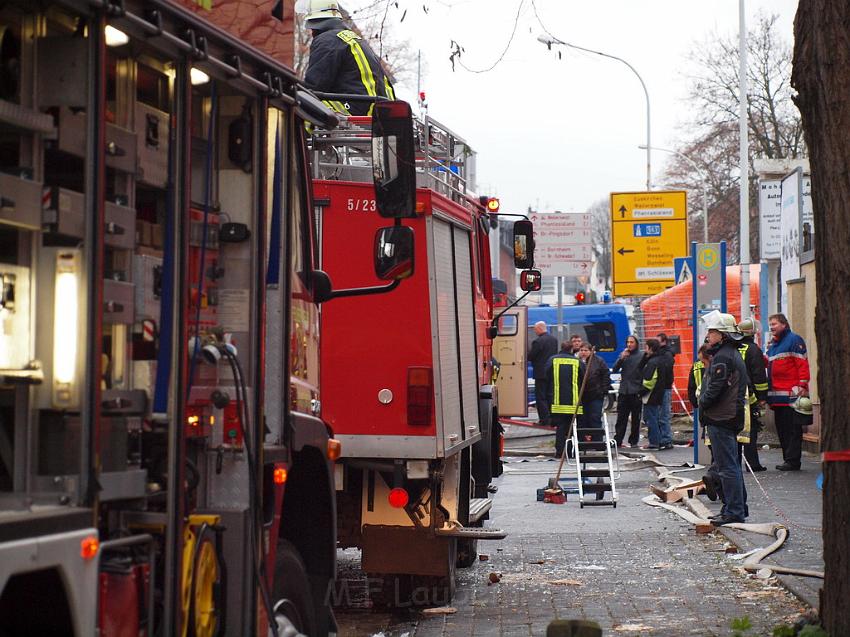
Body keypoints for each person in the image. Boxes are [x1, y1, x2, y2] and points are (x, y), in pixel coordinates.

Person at [297, 0, 396, 116]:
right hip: (382, 112)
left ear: (313, 24)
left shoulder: (327, 40)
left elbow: (314, 87)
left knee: (299, 105)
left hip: (357, 109)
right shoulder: (353, 39)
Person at [698, 311, 749, 526]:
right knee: (731, 466)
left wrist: (703, 404)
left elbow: (714, 389)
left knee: (727, 467)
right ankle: (735, 507)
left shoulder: (722, 357)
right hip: (727, 416)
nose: (708, 335)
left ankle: (734, 511)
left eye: (712, 331)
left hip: (721, 417)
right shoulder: (730, 353)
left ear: (723, 334)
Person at [766, 313, 810, 471]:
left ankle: (792, 460)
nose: (771, 327)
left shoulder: (794, 340)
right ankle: (788, 459)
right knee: (783, 429)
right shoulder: (773, 345)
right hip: (778, 396)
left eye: (774, 324)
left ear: (784, 324)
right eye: (770, 324)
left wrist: (802, 386)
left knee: (792, 430)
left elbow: (802, 365)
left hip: (791, 395)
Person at [736, 318, 769, 472]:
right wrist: (762, 397)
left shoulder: (734, 348)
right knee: (751, 431)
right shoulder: (753, 349)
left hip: (733, 396)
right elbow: (759, 375)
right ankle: (753, 464)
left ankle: (735, 463)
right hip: (750, 397)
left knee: (736, 431)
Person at [547, 341, 585, 459]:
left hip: (557, 402)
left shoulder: (552, 360)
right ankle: (571, 452)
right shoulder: (577, 362)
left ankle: (559, 452)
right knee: (572, 429)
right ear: (571, 350)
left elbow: (546, 376)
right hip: (574, 402)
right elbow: (584, 378)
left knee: (560, 428)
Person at [612, 335, 643, 448]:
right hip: (624, 391)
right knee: (621, 418)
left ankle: (633, 441)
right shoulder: (624, 355)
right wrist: (621, 358)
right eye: (628, 342)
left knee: (636, 418)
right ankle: (618, 439)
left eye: (632, 342)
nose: (629, 344)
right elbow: (615, 369)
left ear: (636, 343)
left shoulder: (641, 355)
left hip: (636, 391)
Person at [576, 342, 611, 438]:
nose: (583, 352)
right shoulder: (577, 361)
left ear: (591, 351)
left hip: (595, 395)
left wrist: (603, 390)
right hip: (581, 396)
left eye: (586, 350)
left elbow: (606, 375)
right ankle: (582, 441)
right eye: (581, 350)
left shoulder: (599, 361)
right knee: (582, 419)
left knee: (594, 418)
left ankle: (597, 441)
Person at [637, 339, 666, 450]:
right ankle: (657, 441)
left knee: (651, 419)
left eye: (646, 347)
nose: (645, 349)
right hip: (657, 393)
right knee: (655, 418)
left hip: (650, 395)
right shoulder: (659, 360)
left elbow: (649, 381)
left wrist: (640, 392)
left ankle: (654, 442)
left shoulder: (653, 362)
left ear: (650, 348)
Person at [528, 321, 558, 425]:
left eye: (535, 329)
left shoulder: (538, 342)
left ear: (540, 328)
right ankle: (553, 419)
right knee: (550, 395)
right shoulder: (554, 340)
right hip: (551, 371)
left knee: (541, 397)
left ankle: (544, 419)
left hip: (540, 373)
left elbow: (531, 356)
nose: (535, 331)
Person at [655, 333, 675, 450]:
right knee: (660, 415)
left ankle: (666, 439)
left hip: (664, 387)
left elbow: (665, 369)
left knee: (663, 415)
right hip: (661, 387)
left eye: (658, 341)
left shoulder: (666, 355)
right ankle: (663, 438)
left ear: (663, 342)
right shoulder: (663, 354)